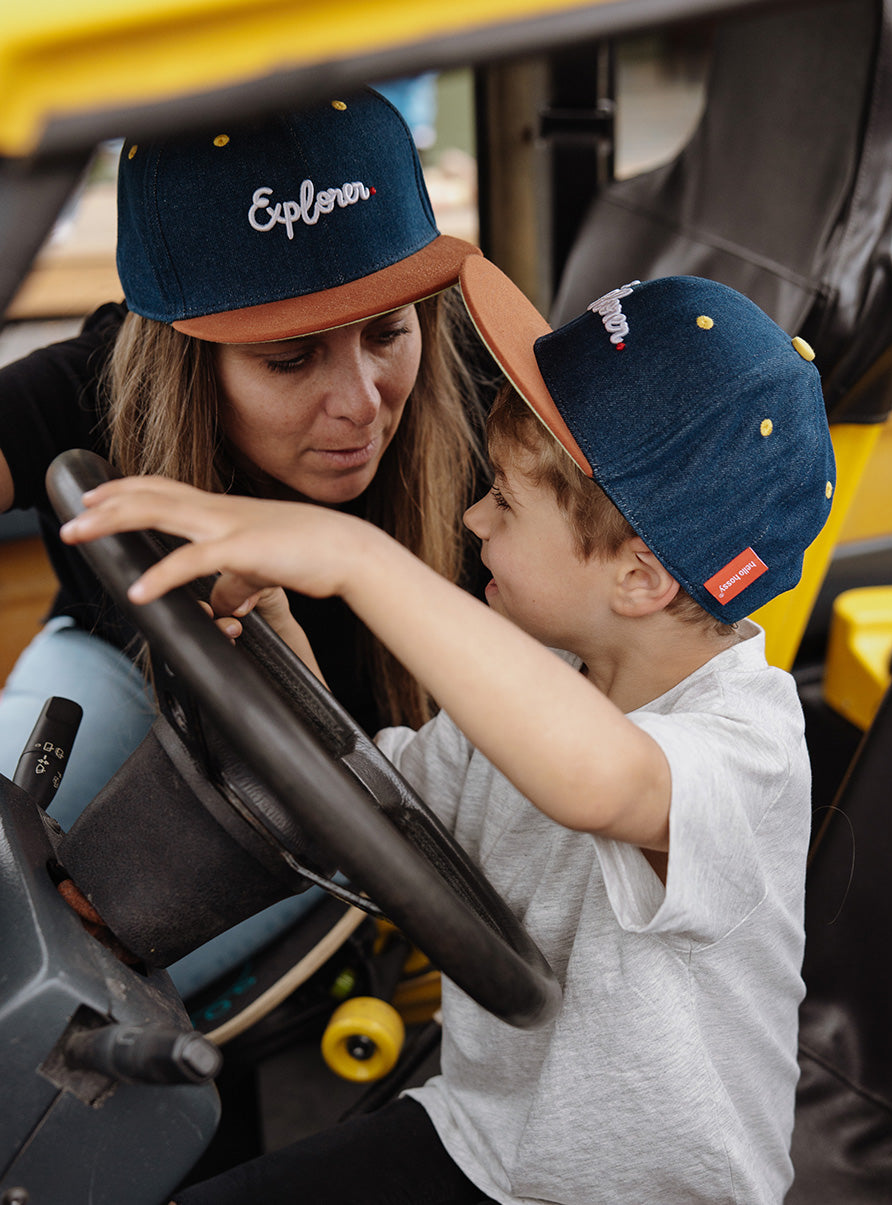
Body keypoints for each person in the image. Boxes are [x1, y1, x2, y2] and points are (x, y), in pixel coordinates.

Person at [63, 258, 836, 1204]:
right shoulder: (545, 683)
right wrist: (282, 656)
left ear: (640, 576)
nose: (472, 516)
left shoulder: (746, 749)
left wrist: (357, 558)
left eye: (503, 498)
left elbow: (603, 781)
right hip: (486, 1138)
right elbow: (373, 804)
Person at [0, 89, 484, 851]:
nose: (361, 402)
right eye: (291, 359)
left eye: (389, 333)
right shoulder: (97, 387)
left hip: (381, 784)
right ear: (184, 362)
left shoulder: (499, 408)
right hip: (123, 679)